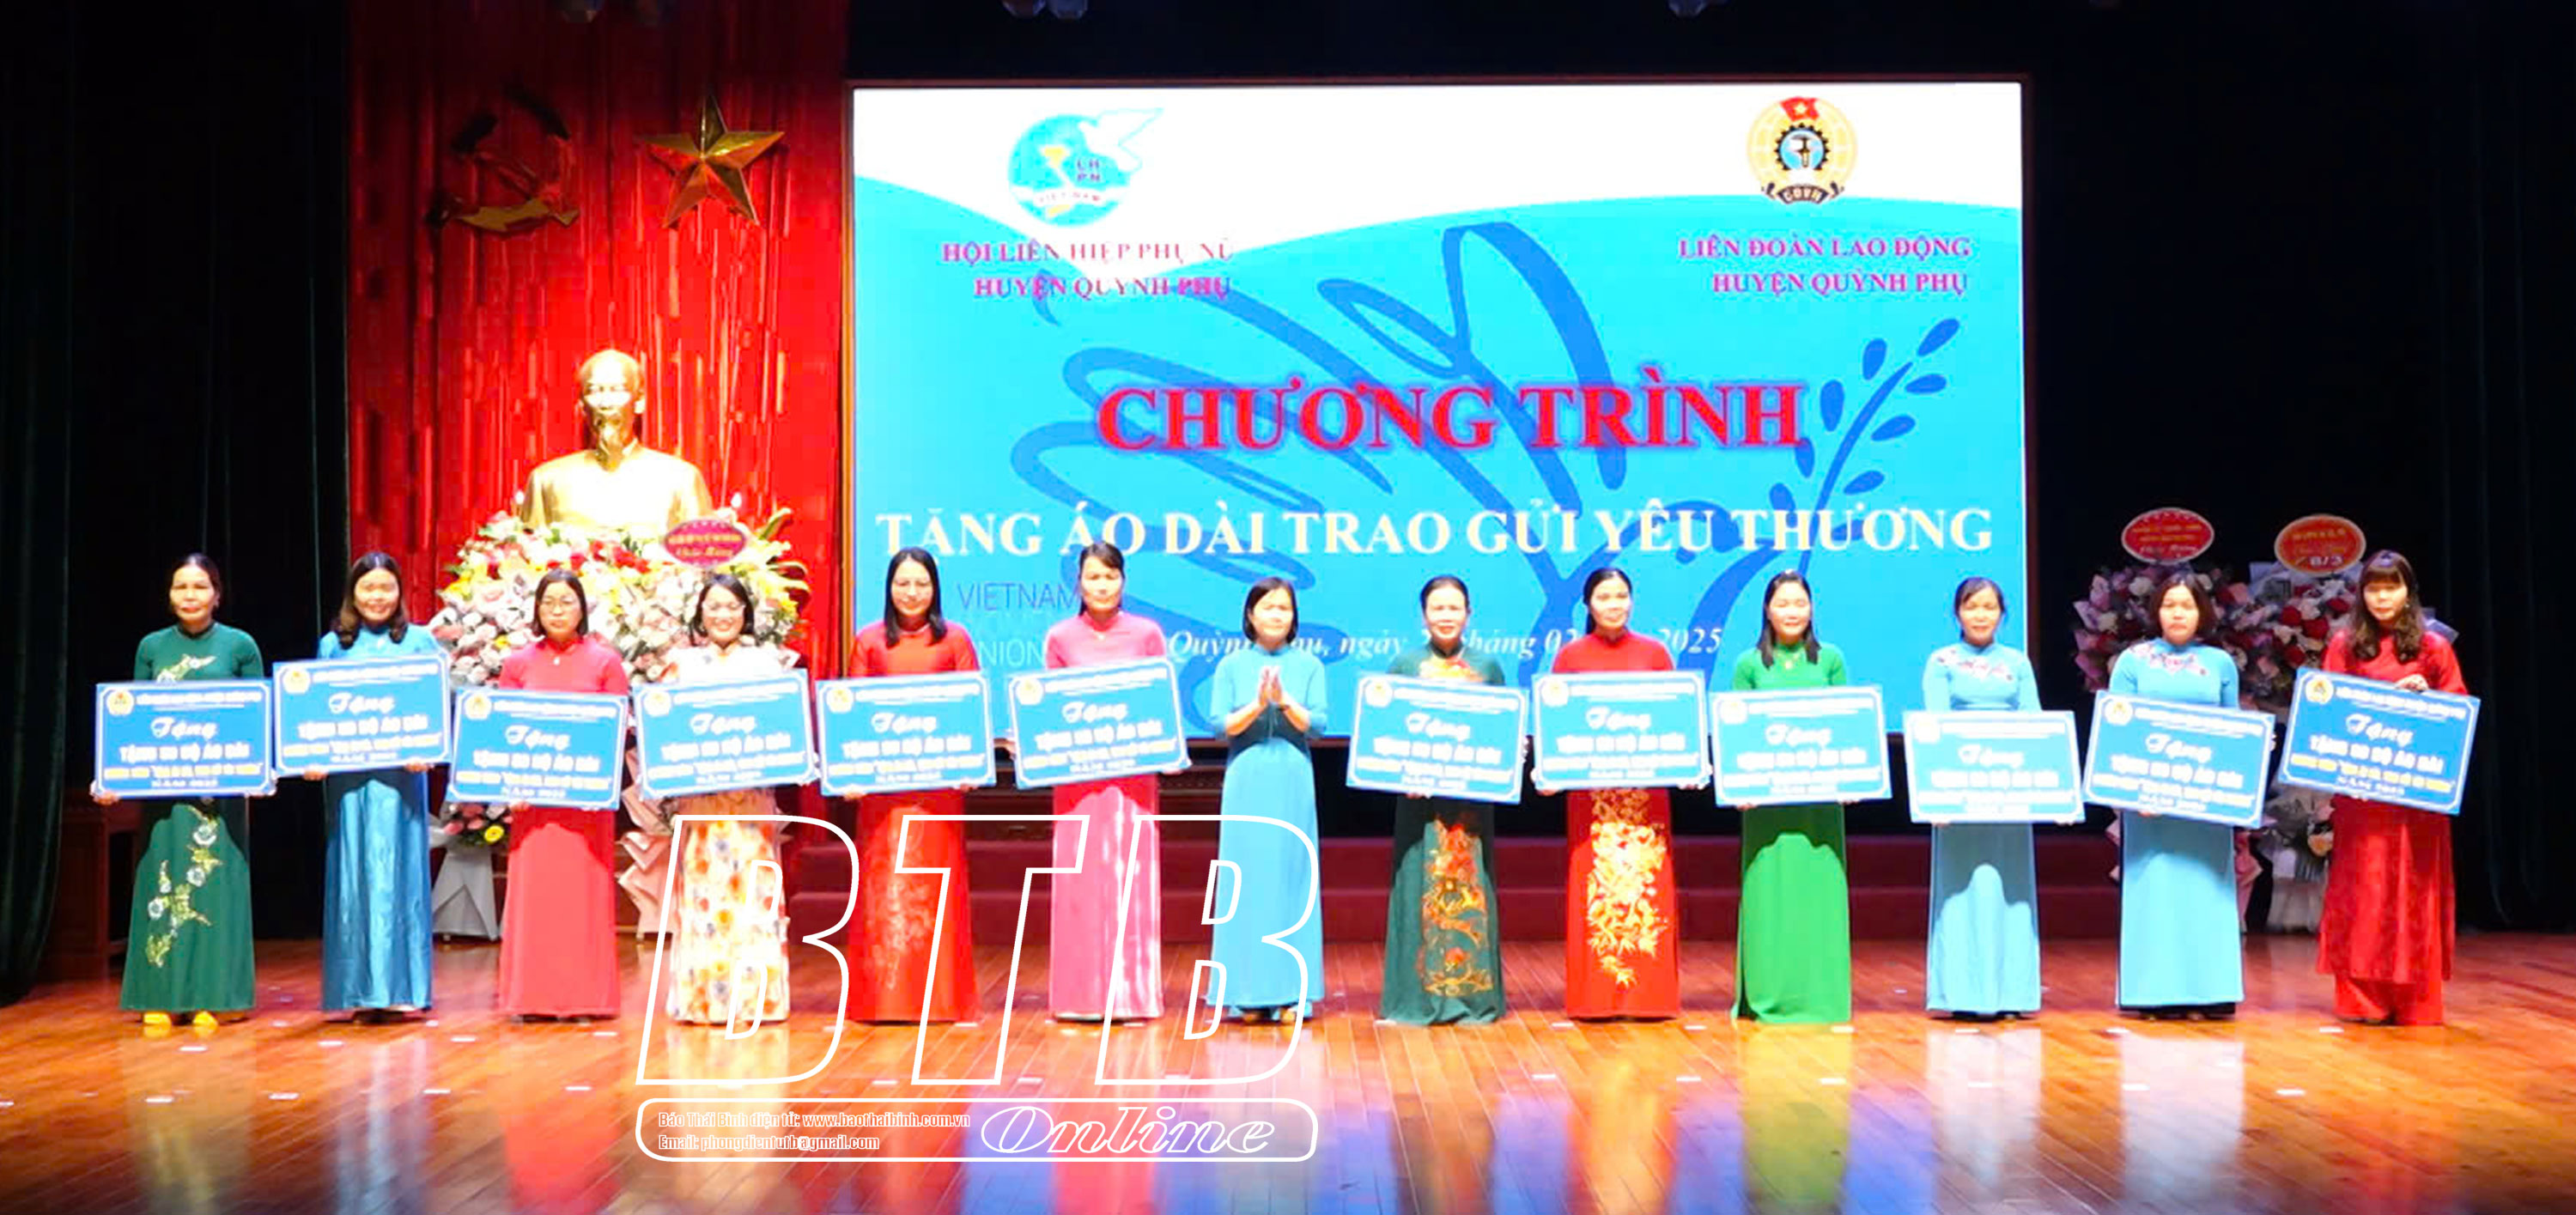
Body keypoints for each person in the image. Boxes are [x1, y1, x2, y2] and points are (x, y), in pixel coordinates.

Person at [100, 555, 264, 1030]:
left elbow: (257, 714)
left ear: (217, 594)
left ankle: (217, 997)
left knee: (215, 891)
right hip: (165, 796)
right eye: (180, 587)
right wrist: (112, 777)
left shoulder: (240, 645)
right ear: (169, 595)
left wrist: (258, 771)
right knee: (163, 883)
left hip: (221, 798)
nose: (190, 595)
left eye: (199, 586)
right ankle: (161, 995)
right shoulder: (152, 647)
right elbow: (132, 720)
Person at [2318, 550, 2467, 1025]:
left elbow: (2458, 713)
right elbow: (2329, 710)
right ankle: (2363, 1000)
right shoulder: (2345, 644)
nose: (2382, 597)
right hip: (2363, 794)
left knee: (2414, 888)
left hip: (2417, 796)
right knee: (2364, 887)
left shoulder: (2434, 647)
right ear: (2361, 594)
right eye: (2373, 588)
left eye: (2392, 587)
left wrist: (2428, 697)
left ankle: (2415, 1000)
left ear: (2408, 592)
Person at [843, 547, 981, 1024]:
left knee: (934, 887)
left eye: (921, 583)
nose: (912, 592)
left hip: (937, 792)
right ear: (888, 587)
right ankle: (882, 999)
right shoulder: (869, 641)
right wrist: (851, 773)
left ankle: (940, 999)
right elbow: (852, 713)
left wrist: (970, 763)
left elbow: (969, 708)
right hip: (883, 793)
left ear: (935, 588)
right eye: (902, 583)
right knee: (886, 889)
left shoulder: (955, 640)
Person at [2105, 571, 2246, 1018]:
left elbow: (2235, 729)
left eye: (2187, 605)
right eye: (2170, 605)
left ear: (2202, 612)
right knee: (2157, 891)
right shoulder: (2133, 661)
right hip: (2150, 808)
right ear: (2157, 611)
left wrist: (2252, 756)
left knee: (2207, 889)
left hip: (2206, 808)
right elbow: (2117, 729)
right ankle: (2155, 991)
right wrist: (2134, 793)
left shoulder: (2220, 664)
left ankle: (2212, 991)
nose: (2178, 613)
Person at [660, 574, 795, 1026]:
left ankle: (757, 1002)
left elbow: (785, 731)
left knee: (752, 897)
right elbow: (665, 733)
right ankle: (704, 1001)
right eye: (714, 607)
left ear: (746, 613)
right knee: (706, 899)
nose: (722, 615)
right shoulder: (681, 666)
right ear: (700, 614)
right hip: (701, 808)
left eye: (731, 607)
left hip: (751, 806)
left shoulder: (768, 665)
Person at [1042, 542, 1169, 1021]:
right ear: (1078, 583)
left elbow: (1159, 701)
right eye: (1093, 577)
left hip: (1132, 781)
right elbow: (1049, 709)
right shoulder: (1060, 637)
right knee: (1080, 884)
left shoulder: (1147, 633)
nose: (1102, 585)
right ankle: (1079, 998)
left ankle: (1132, 996)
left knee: (1129, 879)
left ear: (1124, 581)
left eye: (1111, 576)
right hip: (1077, 781)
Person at [495, 568, 630, 1019]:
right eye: (549, 602)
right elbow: (503, 731)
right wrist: (510, 785)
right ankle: (531, 998)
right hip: (533, 805)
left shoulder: (604, 662)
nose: (557, 611)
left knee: (581, 900)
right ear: (537, 609)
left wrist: (603, 784)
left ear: (582, 608)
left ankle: (584, 998)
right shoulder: (518, 663)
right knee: (536, 900)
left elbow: (617, 734)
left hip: (585, 807)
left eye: (567, 602)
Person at [312, 553, 440, 1022]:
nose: (377, 597)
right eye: (368, 588)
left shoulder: (420, 642)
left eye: (386, 588)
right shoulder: (332, 646)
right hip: (349, 785)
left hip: (401, 783)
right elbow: (315, 712)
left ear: (399, 592)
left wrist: (428, 748)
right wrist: (312, 756)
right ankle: (358, 992)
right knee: (354, 877)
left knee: (399, 878)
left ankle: (402, 990)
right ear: (353, 593)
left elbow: (434, 709)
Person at [1548, 567, 1680, 1019]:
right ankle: (1596, 999)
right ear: (1588, 604)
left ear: (1632, 600)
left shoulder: (1655, 654)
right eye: (1604, 597)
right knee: (1597, 893)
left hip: (1645, 801)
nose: (1614, 604)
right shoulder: (1571, 657)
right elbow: (1558, 729)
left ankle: (1650, 998)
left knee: (1646, 892)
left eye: (1621, 596)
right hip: (1592, 802)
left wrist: (1685, 766)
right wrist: (1552, 772)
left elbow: (1674, 722)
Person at [1379, 574, 1510, 1025]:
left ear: (1469, 614)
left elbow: (1501, 731)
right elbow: (1387, 735)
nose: (1446, 616)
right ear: (1424, 615)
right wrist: (1401, 774)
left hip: (1470, 808)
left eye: (1454, 608)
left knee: (1471, 895)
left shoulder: (1487, 667)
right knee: (1419, 890)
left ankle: (1473, 1000)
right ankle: (1415, 1000)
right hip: (1420, 809)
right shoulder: (1405, 665)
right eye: (1438, 608)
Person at [1729, 571, 1853, 1024]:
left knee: (1818, 897)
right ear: (1767, 610)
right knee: (1770, 897)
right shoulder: (1749, 664)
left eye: (1800, 603)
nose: (1792, 612)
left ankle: (1821, 996)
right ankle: (1768, 993)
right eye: (1783, 604)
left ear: (1812, 608)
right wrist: (1739, 785)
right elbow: (1736, 732)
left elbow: (1847, 724)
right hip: (1765, 808)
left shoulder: (1831, 659)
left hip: (1820, 808)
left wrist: (1852, 779)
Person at [1920, 576, 2045, 1021]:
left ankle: (2011, 995)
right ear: (1957, 613)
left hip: (2009, 794)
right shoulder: (1941, 661)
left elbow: (2036, 724)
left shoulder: (2017, 662)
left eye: (1989, 607)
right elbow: (1934, 726)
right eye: (1972, 607)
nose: (1980, 615)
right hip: (1960, 794)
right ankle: (1962, 993)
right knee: (1962, 890)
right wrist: (1938, 797)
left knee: (2011, 890)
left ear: (2002, 613)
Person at [1207, 577, 1327, 1023]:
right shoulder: (1231, 665)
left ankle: (1295, 992)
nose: (1277, 615)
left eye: (1284, 608)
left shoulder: (1310, 665)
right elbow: (1220, 726)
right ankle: (1246, 993)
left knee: (1293, 879)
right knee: (1247, 882)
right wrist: (1259, 705)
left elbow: (1317, 726)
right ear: (1251, 615)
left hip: (1292, 777)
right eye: (1268, 607)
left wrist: (1285, 701)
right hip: (1247, 778)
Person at [516, 347, 714, 535]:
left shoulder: (681, 479)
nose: (606, 403)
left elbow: (702, 553)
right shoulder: (548, 481)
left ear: (639, 401)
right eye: (594, 391)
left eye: (617, 390)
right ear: (582, 406)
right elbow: (525, 553)